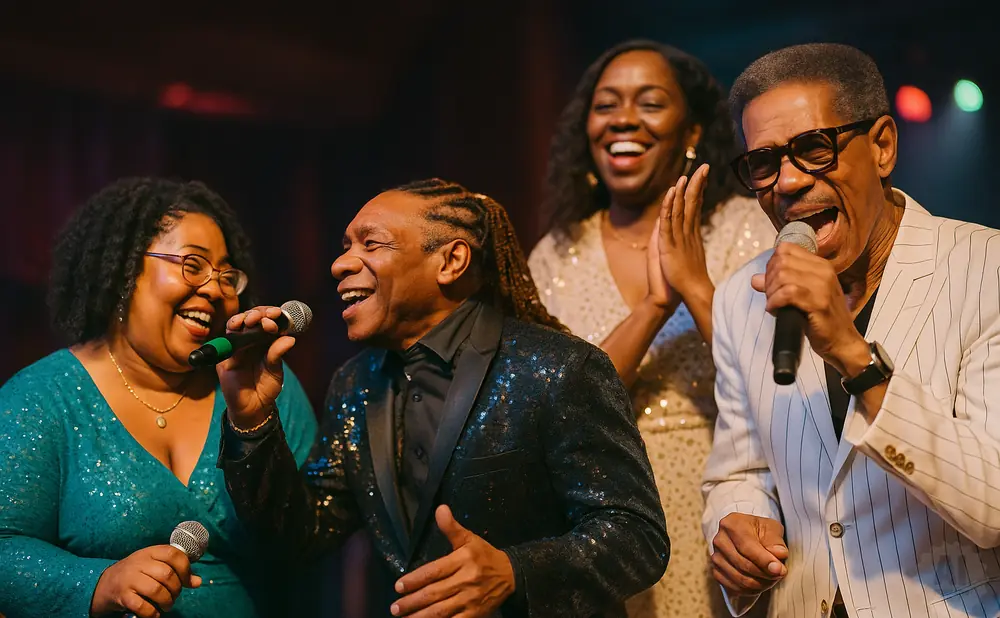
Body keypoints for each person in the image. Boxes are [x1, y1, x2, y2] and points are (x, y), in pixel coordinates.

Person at [216, 178, 669, 618]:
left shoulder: (558, 367)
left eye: (371, 244)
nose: (340, 264)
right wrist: (251, 421)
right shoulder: (353, 384)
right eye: (345, 246)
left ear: (451, 261)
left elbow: (637, 536)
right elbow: (301, 536)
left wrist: (515, 572)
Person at [702, 43, 1000, 618]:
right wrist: (738, 523)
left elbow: (992, 503)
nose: (787, 182)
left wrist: (852, 353)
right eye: (763, 163)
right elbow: (739, 471)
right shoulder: (741, 295)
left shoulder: (984, 267)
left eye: (813, 148)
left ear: (882, 146)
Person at [527, 39, 774, 617]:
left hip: (726, 505)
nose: (624, 119)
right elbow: (562, 412)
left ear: (691, 132)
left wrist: (695, 286)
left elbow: (777, 384)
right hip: (602, 517)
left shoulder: (746, 229)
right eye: (606, 104)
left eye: (650, 102)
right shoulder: (556, 255)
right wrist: (654, 307)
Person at [0, 177, 318, 618]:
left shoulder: (267, 385)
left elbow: (307, 546)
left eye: (227, 276)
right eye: (193, 264)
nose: (215, 289)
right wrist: (97, 583)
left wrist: (252, 426)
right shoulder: (41, 399)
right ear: (124, 272)